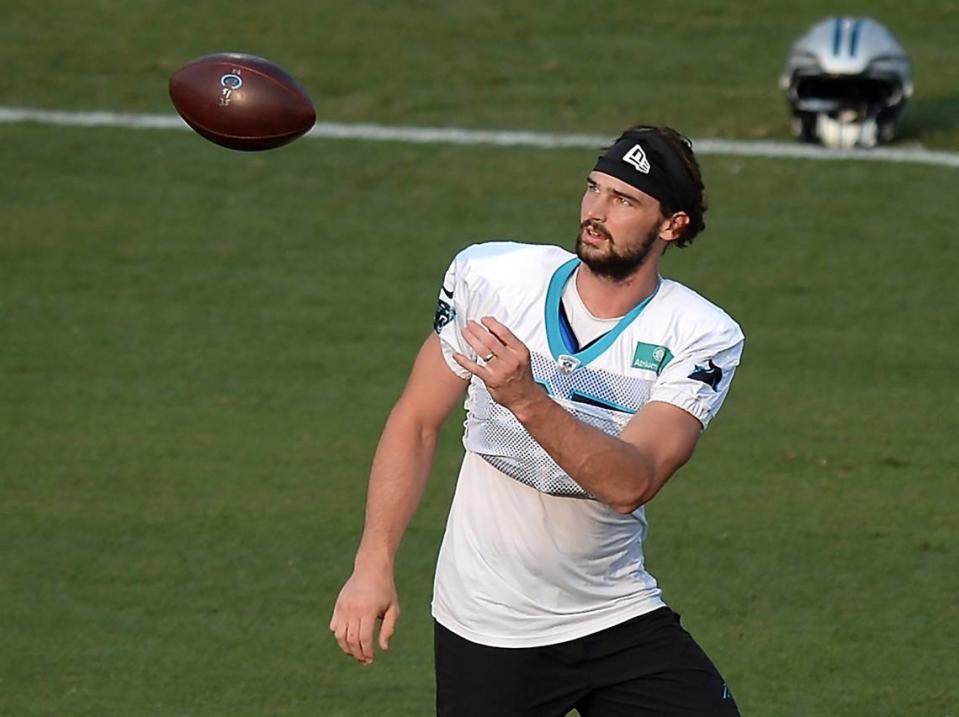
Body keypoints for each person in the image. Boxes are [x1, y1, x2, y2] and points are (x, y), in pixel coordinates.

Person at [330, 124, 745, 716]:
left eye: (624, 200)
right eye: (594, 188)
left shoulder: (701, 335)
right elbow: (418, 420)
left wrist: (527, 397)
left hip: (615, 612)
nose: (596, 211)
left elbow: (631, 483)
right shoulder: (493, 279)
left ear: (671, 225)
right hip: (487, 625)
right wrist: (372, 563)